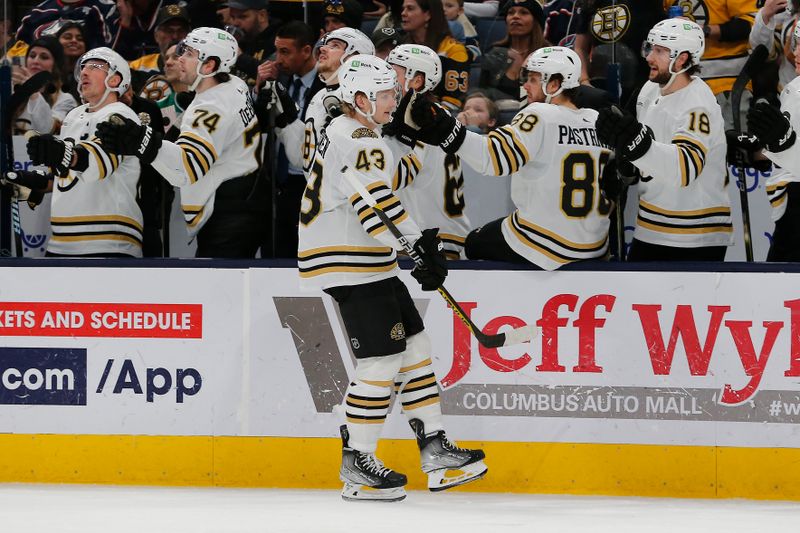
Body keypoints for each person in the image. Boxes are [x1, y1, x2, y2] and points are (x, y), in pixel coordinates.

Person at [298, 53, 487, 502]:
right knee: (381, 361)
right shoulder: (357, 134)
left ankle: (435, 448)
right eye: (385, 94)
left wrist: (408, 139)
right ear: (359, 97)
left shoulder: (359, 132)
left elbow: (393, 176)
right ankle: (357, 461)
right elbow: (375, 201)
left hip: (365, 260)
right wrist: (417, 246)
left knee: (415, 347)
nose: (393, 100)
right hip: (350, 261)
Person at [408, 46, 613, 268]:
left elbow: (493, 159)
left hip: (545, 242)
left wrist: (448, 129)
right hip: (595, 246)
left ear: (554, 84)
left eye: (533, 79)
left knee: (473, 244)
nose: (525, 85)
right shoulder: (596, 120)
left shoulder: (540, 113)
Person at [95, 27, 267, 258]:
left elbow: (187, 169)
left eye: (189, 54)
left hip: (227, 213)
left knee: (218, 290)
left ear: (209, 66)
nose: (179, 58)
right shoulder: (235, 83)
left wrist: (142, 140)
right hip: (246, 199)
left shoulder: (209, 107)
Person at [595, 19, 731, 261]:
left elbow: (685, 168)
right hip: (651, 225)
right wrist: (624, 165)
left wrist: (637, 145)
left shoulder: (697, 104)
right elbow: (641, 152)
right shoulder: (649, 89)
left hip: (695, 234)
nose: (649, 57)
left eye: (659, 51)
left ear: (682, 59)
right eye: (651, 48)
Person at [7, 47, 144, 257]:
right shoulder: (73, 116)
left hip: (108, 240)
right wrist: (35, 181)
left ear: (115, 80)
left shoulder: (121, 114)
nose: (85, 72)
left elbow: (98, 163)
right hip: (60, 241)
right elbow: (66, 174)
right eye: (83, 67)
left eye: (96, 66)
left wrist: (60, 152)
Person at [259, 27, 375, 189]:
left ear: (355, 57)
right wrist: (287, 120)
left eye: (334, 45)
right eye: (325, 44)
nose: (322, 48)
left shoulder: (366, 99)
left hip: (349, 202)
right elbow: (303, 160)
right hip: (317, 198)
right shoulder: (320, 96)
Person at [388, 44, 472, 258]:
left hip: (432, 239)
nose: (384, 77)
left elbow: (398, 177)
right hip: (443, 232)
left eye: (392, 72)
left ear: (416, 80)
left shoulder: (418, 116)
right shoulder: (435, 113)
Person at [257, 21, 325, 258]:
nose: (278, 59)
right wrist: (260, 90)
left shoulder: (327, 85)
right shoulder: (278, 79)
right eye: (277, 50)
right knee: (273, 257)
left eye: (285, 52)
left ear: (307, 51)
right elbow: (261, 126)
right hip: (277, 184)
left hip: (309, 186)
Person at [746, 21, 800, 261]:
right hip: (791, 199)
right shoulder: (793, 88)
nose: (795, 53)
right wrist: (756, 150)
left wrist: (782, 144)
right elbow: (786, 148)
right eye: (796, 45)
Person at [664, 0, 758, 130]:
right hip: (679, 80)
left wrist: (702, 30)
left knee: (732, 144)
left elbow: (750, 24)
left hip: (727, 81)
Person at [573, 0, 664, 108]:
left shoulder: (649, 4)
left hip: (640, 82)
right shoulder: (591, 4)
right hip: (600, 84)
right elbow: (580, 48)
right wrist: (584, 80)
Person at [401, 0, 470, 109]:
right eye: (403, 8)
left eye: (410, 8)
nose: (403, 13)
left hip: (436, 118)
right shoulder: (400, 48)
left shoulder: (454, 50)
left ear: (428, 14)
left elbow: (453, 102)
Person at [480, 0, 548, 101]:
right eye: (511, 12)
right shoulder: (494, 53)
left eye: (524, 12)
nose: (515, 16)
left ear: (536, 21)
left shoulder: (548, 55)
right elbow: (482, 92)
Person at [11, 36, 78, 134]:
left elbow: (47, 129)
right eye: (32, 56)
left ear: (55, 65)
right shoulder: (12, 90)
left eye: (44, 57)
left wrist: (32, 91)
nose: (36, 61)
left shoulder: (66, 100)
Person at [128, 4, 191, 91]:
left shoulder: (199, 68)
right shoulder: (138, 67)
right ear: (156, 36)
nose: (175, 36)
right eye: (169, 31)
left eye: (181, 30)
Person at [228, 0, 277, 87]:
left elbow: (271, 74)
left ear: (262, 15)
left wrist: (240, 57)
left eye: (242, 17)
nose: (235, 23)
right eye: (232, 17)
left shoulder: (277, 40)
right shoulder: (241, 40)